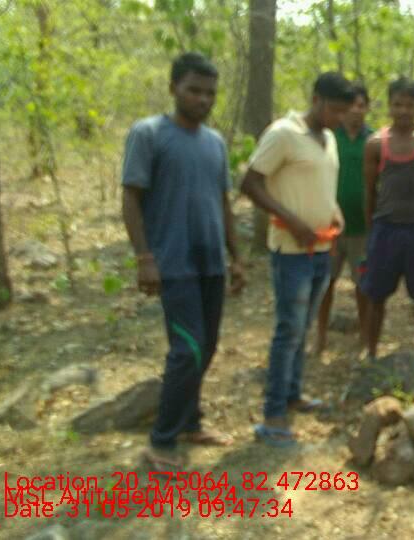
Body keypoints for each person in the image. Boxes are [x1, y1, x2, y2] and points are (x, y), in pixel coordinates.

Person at [121, 52, 246, 469]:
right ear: (173, 87)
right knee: (187, 349)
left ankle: (190, 421)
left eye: (210, 93)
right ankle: (160, 442)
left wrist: (237, 257)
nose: (203, 99)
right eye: (194, 90)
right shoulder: (149, 134)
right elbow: (131, 197)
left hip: (210, 261)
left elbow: (223, 203)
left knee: (205, 347)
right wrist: (144, 257)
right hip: (173, 262)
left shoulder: (215, 142)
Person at [240, 72, 355, 447]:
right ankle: (273, 414)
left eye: (344, 112)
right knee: (288, 329)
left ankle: (292, 394)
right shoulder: (283, 134)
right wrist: (292, 221)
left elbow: (319, 186)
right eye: (335, 110)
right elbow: (250, 183)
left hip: (322, 248)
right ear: (316, 99)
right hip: (291, 252)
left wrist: (333, 212)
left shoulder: (329, 139)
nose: (340, 118)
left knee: (303, 327)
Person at [361, 76, 414, 378]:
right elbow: (369, 193)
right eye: (398, 105)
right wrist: (370, 234)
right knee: (376, 296)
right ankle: (371, 352)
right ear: (389, 106)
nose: (403, 111)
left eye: (409, 105)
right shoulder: (375, 144)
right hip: (385, 230)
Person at [316, 83, 373, 354]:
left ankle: (365, 336)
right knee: (325, 282)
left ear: (367, 108)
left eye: (361, 105)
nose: (355, 111)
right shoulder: (329, 137)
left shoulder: (374, 140)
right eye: (350, 106)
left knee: (363, 284)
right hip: (329, 227)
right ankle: (320, 336)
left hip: (362, 229)